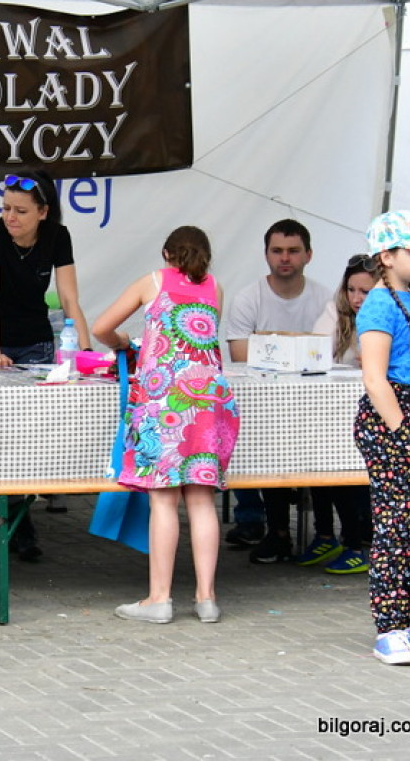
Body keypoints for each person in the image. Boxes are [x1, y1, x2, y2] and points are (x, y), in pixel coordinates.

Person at [93, 226, 239, 624]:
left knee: (164, 500)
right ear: (207, 256)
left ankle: (159, 599)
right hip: (210, 400)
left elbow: (101, 327)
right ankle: (207, 599)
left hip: (166, 399)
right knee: (202, 500)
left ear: (165, 253)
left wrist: (122, 341)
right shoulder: (215, 288)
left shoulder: (152, 282)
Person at [0, 170, 91, 561]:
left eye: (20, 211)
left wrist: (85, 351)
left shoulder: (58, 236)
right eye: (5, 208)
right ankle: (11, 520)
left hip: (35, 339)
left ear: (43, 212)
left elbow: (69, 300)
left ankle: (15, 512)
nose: (10, 217)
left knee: (29, 431)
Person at [224, 219, 333, 562]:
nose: (285, 258)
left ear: (309, 255)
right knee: (250, 437)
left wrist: (275, 354)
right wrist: (297, 355)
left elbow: (331, 353)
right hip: (262, 404)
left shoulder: (325, 298)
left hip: (313, 405)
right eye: (277, 251)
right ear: (266, 255)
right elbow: (239, 357)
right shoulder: (248, 298)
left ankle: (328, 534)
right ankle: (261, 524)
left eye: (293, 251)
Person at [353, 210, 410, 665]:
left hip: (409, 410)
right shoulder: (379, 304)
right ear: (387, 256)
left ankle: (406, 625)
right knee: (396, 524)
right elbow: (375, 378)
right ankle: (390, 627)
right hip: (393, 416)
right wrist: (402, 430)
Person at [298, 255, 375, 574]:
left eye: (365, 291)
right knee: (318, 456)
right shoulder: (336, 310)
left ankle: (355, 544)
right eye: (351, 289)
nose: (356, 298)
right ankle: (326, 535)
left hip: (376, 415)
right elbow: (314, 352)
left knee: (344, 468)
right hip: (338, 411)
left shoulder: (389, 314)